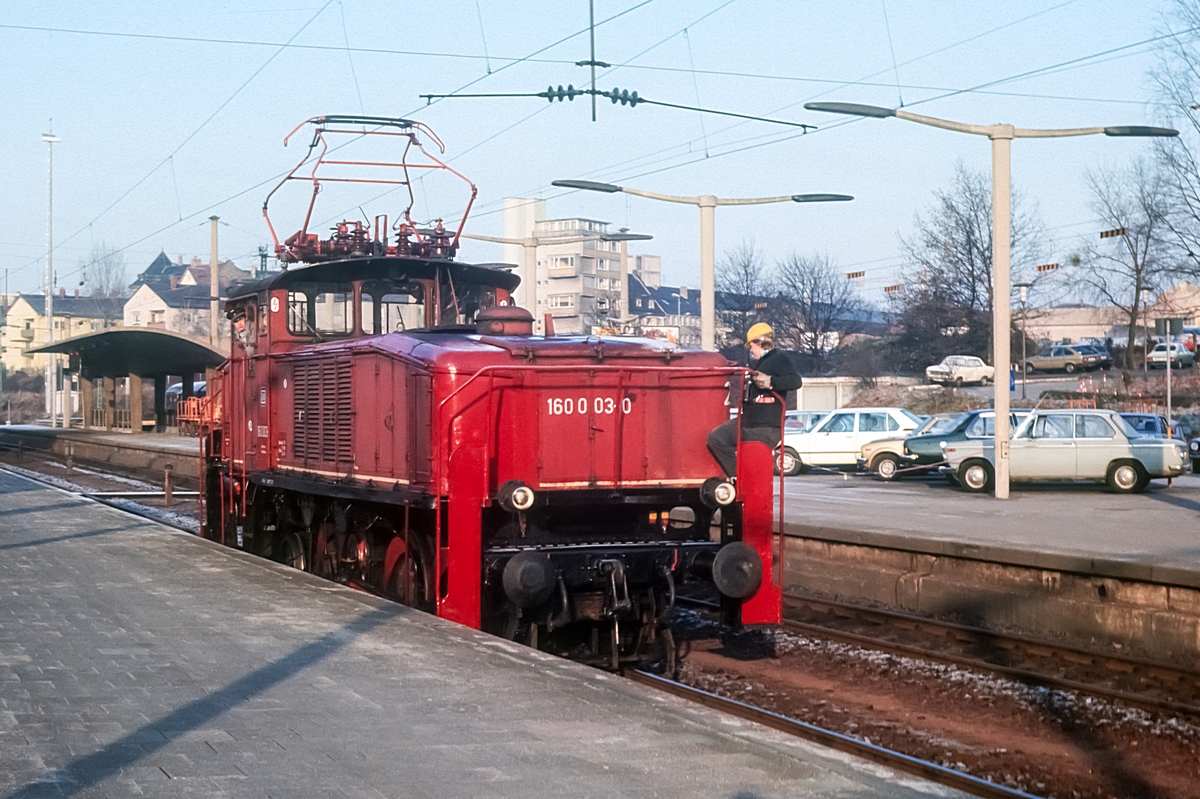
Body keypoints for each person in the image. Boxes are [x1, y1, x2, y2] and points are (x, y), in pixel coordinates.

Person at [707, 322, 803, 477]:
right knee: (719, 436)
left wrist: (772, 382)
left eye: (752, 346)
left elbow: (796, 381)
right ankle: (742, 476)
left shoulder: (779, 360)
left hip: (764, 427)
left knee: (717, 438)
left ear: (762, 342)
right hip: (753, 424)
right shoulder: (762, 363)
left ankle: (740, 478)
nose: (751, 350)